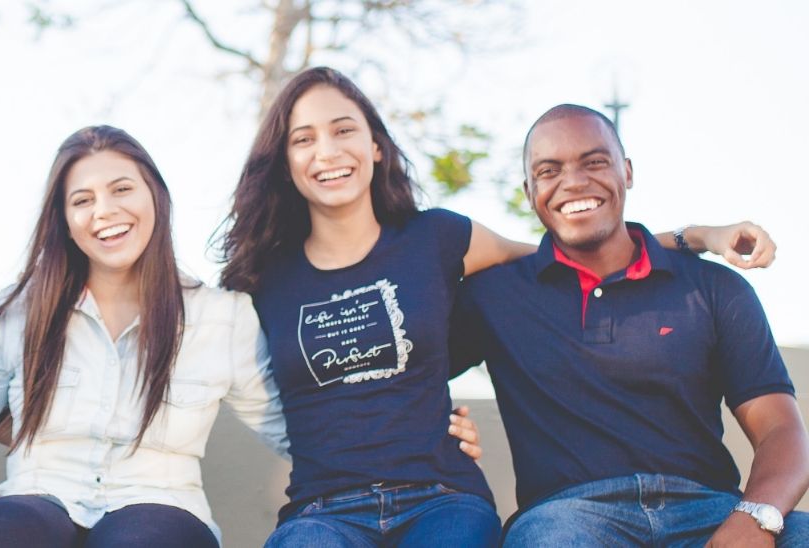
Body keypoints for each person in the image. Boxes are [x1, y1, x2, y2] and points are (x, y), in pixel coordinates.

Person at [215, 67, 776, 547]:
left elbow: (577, 243)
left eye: (344, 130)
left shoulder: (438, 238)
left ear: (376, 145)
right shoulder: (263, 278)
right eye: (304, 138)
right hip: (331, 509)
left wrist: (696, 235)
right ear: (284, 158)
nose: (328, 151)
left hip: (442, 498)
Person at [0, 125, 486, 547]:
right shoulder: (16, 314)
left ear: (155, 198)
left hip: (161, 505)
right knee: (3, 530)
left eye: (122, 190)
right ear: (64, 220)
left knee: (141, 540)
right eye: (82, 200)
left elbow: (304, 429)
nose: (105, 212)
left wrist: (422, 432)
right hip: (40, 494)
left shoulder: (221, 318)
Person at [450, 104, 808, 547]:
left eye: (594, 161)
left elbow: (780, 428)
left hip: (707, 511)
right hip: (568, 519)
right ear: (529, 191)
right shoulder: (494, 295)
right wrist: (443, 427)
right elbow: (396, 375)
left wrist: (756, 518)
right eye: (549, 169)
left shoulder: (713, 287)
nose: (574, 181)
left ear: (628, 172)